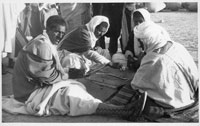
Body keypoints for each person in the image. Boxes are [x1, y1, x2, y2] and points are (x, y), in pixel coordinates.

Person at [4, 15, 147, 121]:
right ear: (47, 29)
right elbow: (47, 77)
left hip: (36, 87)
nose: (60, 36)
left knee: (77, 88)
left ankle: (115, 109)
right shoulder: (41, 45)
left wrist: (67, 74)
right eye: (56, 32)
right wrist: (68, 74)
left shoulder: (46, 41)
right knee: (71, 96)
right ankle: (121, 111)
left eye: (62, 32)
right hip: (29, 94)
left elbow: (49, 73)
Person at [108, 21, 199, 121]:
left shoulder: (153, 58)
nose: (139, 45)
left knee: (132, 92)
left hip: (175, 105)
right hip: (192, 97)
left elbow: (135, 84)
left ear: (146, 40)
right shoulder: (177, 46)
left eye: (140, 41)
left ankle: (113, 108)